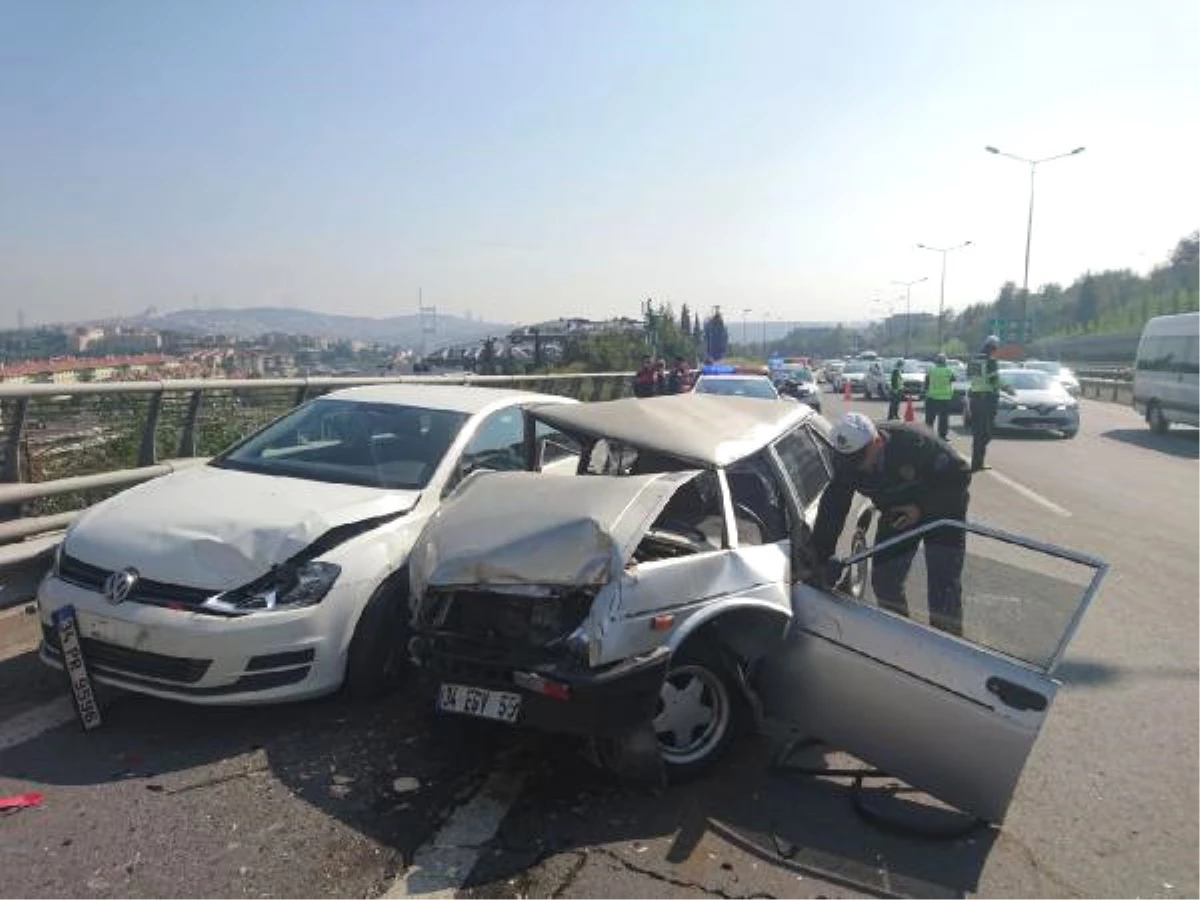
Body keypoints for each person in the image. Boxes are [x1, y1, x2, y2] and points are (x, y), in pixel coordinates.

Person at [813, 412, 972, 636]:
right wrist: (819, 559)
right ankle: (901, 638)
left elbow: (960, 476)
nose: (856, 466)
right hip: (897, 513)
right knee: (885, 580)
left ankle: (950, 648)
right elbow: (833, 508)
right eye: (849, 460)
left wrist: (921, 508)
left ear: (877, 442)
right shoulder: (846, 459)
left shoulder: (916, 442)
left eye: (860, 457)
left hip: (943, 510)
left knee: (944, 584)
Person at [966, 336, 1016, 471]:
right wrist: (1008, 389)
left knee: (978, 432)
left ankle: (976, 462)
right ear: (993, 348)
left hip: (975, 399)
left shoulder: (973, 360)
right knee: (986, 433)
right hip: (986, 400)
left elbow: (970, 377)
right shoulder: (990, 361)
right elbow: (994, 380)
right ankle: (977, 462)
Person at [924, 353, 956, 440]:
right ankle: (942, 436)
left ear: (936, 362)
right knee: (944, 419)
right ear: (945, 362)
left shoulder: (931, 371)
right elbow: (953, 379)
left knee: (930, 418)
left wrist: (925, 393)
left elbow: (926, 384)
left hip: (932, 398)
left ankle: (928, 435)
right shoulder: (948, 371)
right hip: (944, 398)